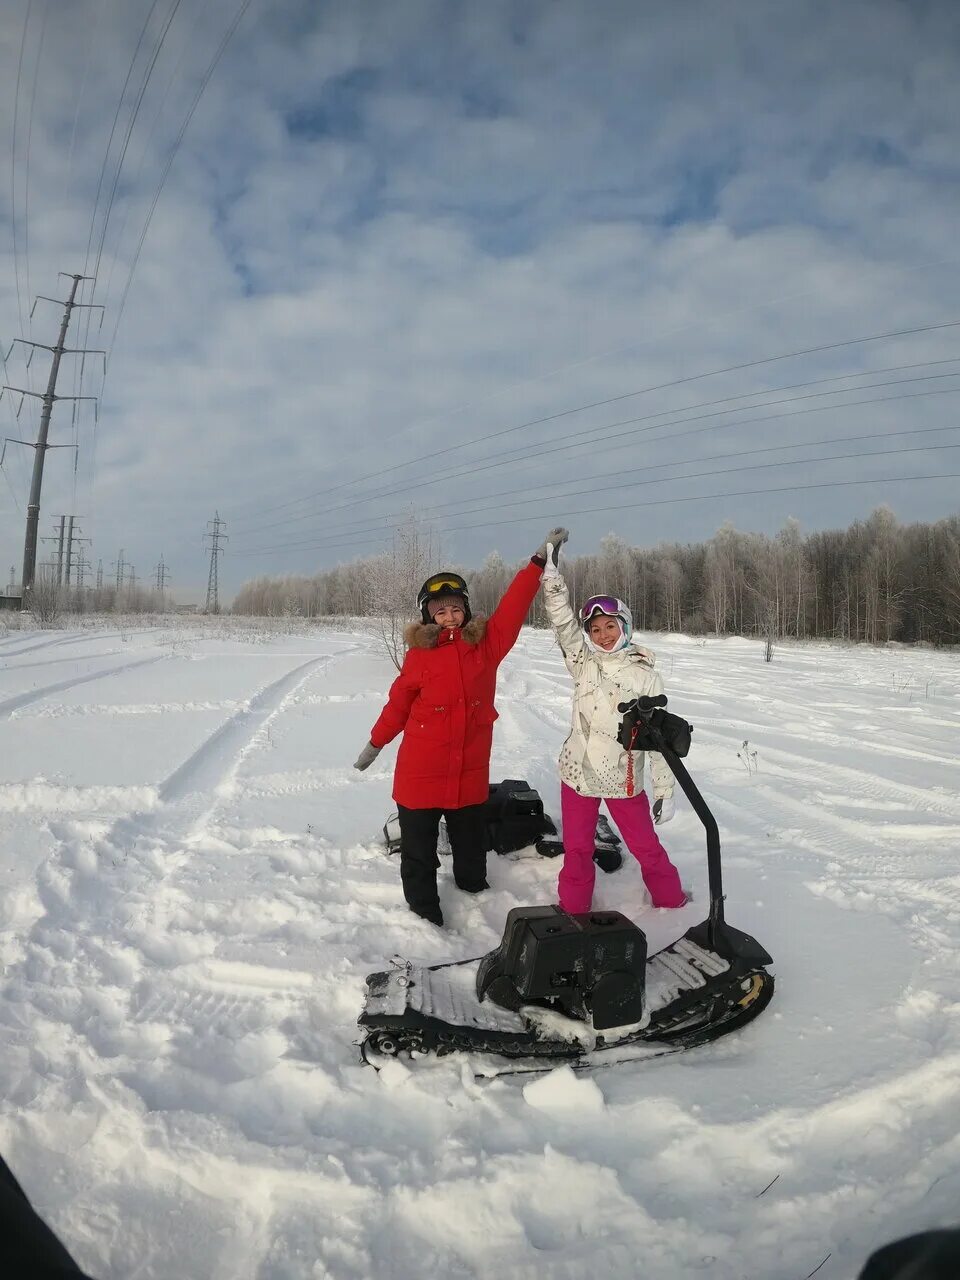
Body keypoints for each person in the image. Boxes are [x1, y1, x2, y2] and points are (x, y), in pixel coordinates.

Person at [354, 529, 568, 926]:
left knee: (471, 844)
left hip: (468, 773)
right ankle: (423, 913)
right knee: (418, 851)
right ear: (428, 616)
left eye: (455, 608)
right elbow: (398, 703)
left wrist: (537, 562)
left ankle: (473, 894)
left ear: (465, 611)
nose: (449, 616)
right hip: (420, 774)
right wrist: (376, 742)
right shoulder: (419, 657)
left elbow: (513, 607)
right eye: (440, 610)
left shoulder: (486, 647)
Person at [540, 533, 686, 914]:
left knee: (646, 848)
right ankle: (573, 914)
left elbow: (659, 744)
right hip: (577, 775)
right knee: (577, 851)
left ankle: (672, 906)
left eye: (610, 627)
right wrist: (551, 577)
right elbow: (562, 623)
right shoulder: (582, 664)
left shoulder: (645, 677)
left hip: (623, 781)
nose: (602, 636)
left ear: (625, 627)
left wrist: (664, 792)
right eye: (595, 630)